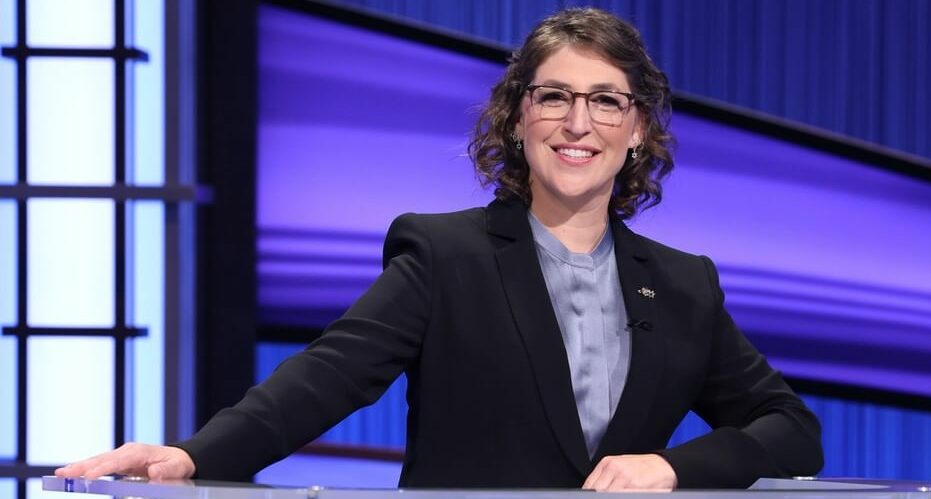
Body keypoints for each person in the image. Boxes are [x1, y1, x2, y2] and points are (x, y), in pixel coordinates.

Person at [56, 7, 823, 491]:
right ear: (518, 119)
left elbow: (791, 429)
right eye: (552, 96)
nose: (577, 123)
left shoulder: (684, 285)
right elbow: (327, 377)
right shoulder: (444, 252)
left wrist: (675, 466)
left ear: (638, 131)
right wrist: (193, 456)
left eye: (606, 102)